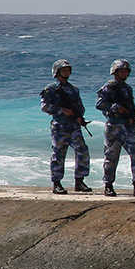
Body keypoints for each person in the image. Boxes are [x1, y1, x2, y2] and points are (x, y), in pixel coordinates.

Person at [95, 59, 135, 197]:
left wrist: (132, 119)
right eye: (121, 71)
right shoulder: (109, 87)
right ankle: (108, 185)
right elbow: (100, 104)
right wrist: (115, 107)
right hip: (114, 126)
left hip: (127, 127)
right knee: (111, 157)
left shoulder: (127, 88)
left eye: (126, 71)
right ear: (115, 72)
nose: (124, 73)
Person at [40, 60, 91, 195]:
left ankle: (79, 181)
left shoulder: (74, 89)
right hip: (60, 126)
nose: (66, 72)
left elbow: (80, 107)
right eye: (63, 70)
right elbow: (44, 107)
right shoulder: (51, 89)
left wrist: (79, 116)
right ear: (57, 72)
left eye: (68, 70)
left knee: (82, 151)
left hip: (74, 126)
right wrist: (61, 110)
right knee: (58, 154)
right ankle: (57, 183)